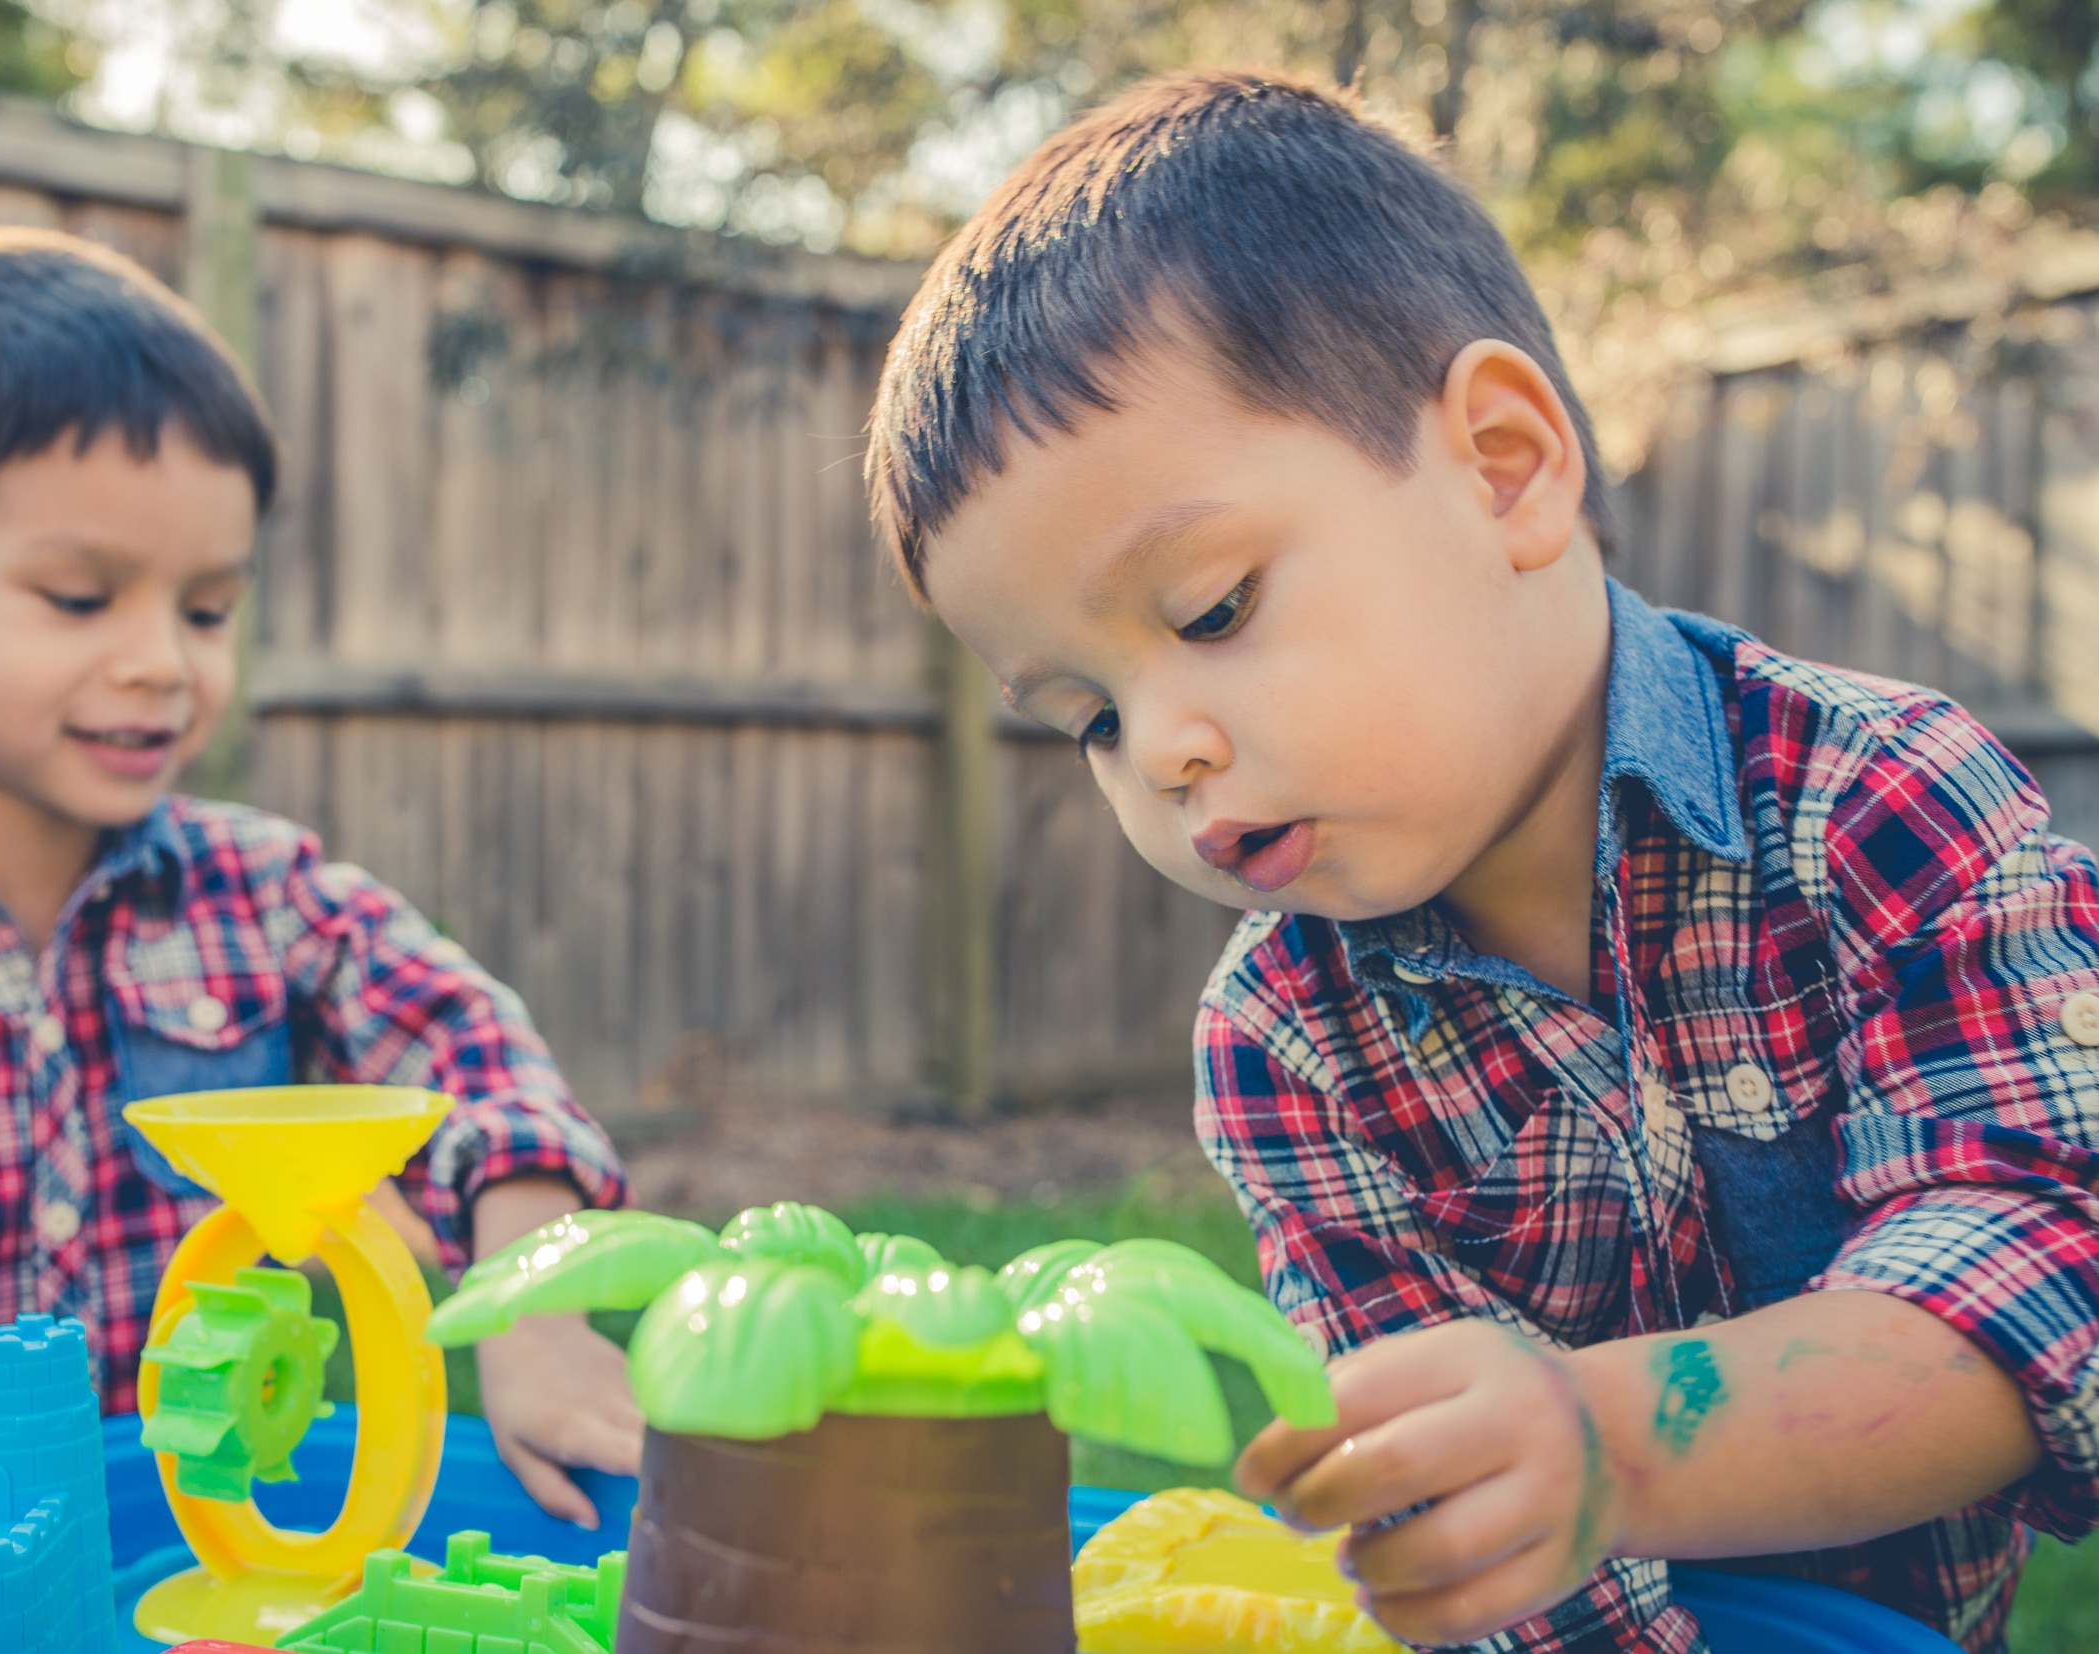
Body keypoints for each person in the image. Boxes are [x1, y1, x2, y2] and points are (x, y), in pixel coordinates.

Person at [865, 68, 2097, 1654]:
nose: (1162, 747)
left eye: (1212, 610)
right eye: (1086, 718)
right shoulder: (1282, 1043)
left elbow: (2044, 1276)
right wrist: (1493, 1507)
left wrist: (1611, 1443)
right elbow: (1451, 1541)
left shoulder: (1874, 805)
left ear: (1504, 467)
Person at [0, 221, 643, 1539]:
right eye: (80, 596)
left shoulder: (261, 899)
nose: (166, 661)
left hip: (189, 1571)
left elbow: (470, 1051)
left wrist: (536, 1306)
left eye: (207, 609)